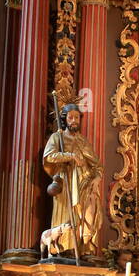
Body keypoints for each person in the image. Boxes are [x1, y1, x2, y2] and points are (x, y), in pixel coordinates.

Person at [41, 101, 102, 257]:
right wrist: (70, 156)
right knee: (68, 216)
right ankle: (64, 248)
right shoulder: (57, 137)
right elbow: (49, 156)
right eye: (70, 118)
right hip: (66, 181)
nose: (74, 120)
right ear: (64, 119)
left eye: (77, 117)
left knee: (87, 214)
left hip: (85, 183)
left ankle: (83, 249)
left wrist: (97, 178)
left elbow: (96, 165)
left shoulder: (83, 141)